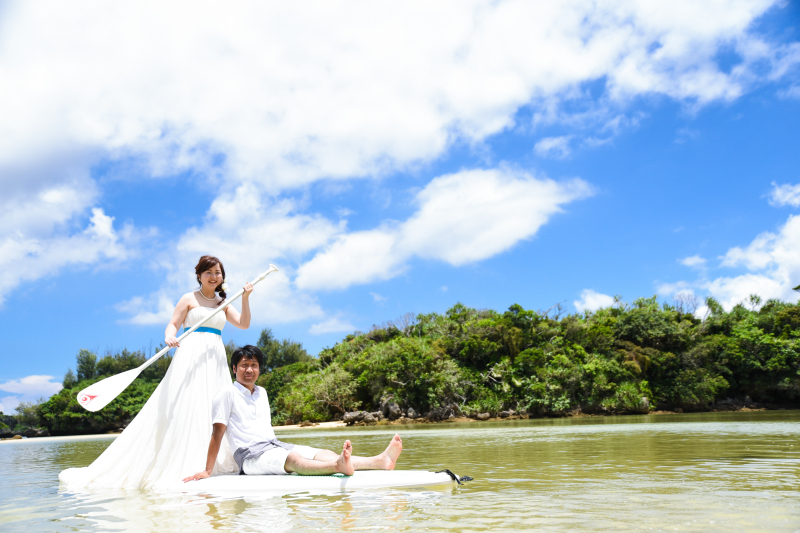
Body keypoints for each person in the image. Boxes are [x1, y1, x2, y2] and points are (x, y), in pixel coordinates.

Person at [60, 256, 255, 489]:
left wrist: (245, 298)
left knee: (213, 405)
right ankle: (187, 461)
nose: (214, 276)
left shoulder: (225, 301)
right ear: (199, 275)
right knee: (185, 402)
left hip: (214, 357)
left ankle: (212, 461)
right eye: (208, 272)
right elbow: (173, 324)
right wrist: (169, 336)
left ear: (223, 276)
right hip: (190, 353)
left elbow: (243, 324)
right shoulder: (188, 298)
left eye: (218, 272)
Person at [183, 345, 403, 481]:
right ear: (234, 369)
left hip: (275, 445)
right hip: (249, 456)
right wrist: (207, 470)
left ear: (259, 369)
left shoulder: (263, 393)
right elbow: (217, 434)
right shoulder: (226, 393)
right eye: (243, 365)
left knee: (320, 452)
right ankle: (338, 467)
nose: (249, 370)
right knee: (293, 459)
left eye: (254, 365)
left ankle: (380, 461)